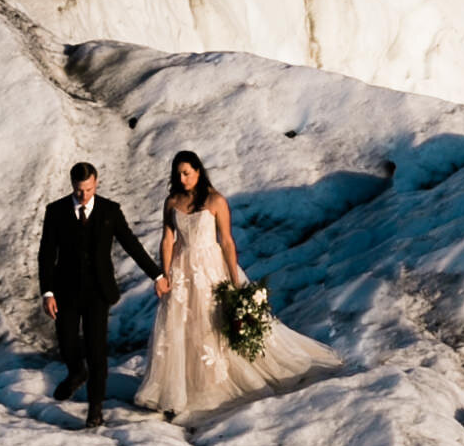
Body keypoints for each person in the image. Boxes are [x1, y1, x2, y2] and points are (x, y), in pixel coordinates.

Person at [135, 150, 342, 420]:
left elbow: (227, 241)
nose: (182, 178)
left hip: (211, 267)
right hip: (182, 269)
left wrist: (234, 280)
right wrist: (165, 275)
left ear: (198, 171)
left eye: (187, 172)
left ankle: (214, 383)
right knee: (182, 325)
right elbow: (167, 240)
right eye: (178, 174)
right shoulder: (172, 201)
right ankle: (181, 387)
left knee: (213, 324)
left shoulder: (215, 200)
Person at [38, 161, 168, 428]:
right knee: (67, 342)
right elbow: (46, 255)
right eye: (78, 190)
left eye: (87, 189)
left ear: (95, 182)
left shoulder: (110, 211)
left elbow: (132, 245)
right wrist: (47, 292)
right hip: (65, 290)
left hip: (98, 291)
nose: (82, 195)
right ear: (72, 185)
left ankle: (95, 409)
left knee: (97, 351)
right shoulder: (56, 211)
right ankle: (76, 372)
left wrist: (157, 275)